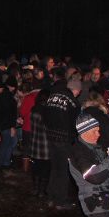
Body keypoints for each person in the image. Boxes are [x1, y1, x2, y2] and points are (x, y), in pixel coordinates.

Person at [43, 71, 81, 209]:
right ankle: (61, 200)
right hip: (64, 139)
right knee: (64, 169)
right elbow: (74, 123)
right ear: (76, 90)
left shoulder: (52, 96)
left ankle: (51, 195)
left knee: (55, 167)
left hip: (50, 136)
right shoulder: (73, 102)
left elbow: (44, 114)